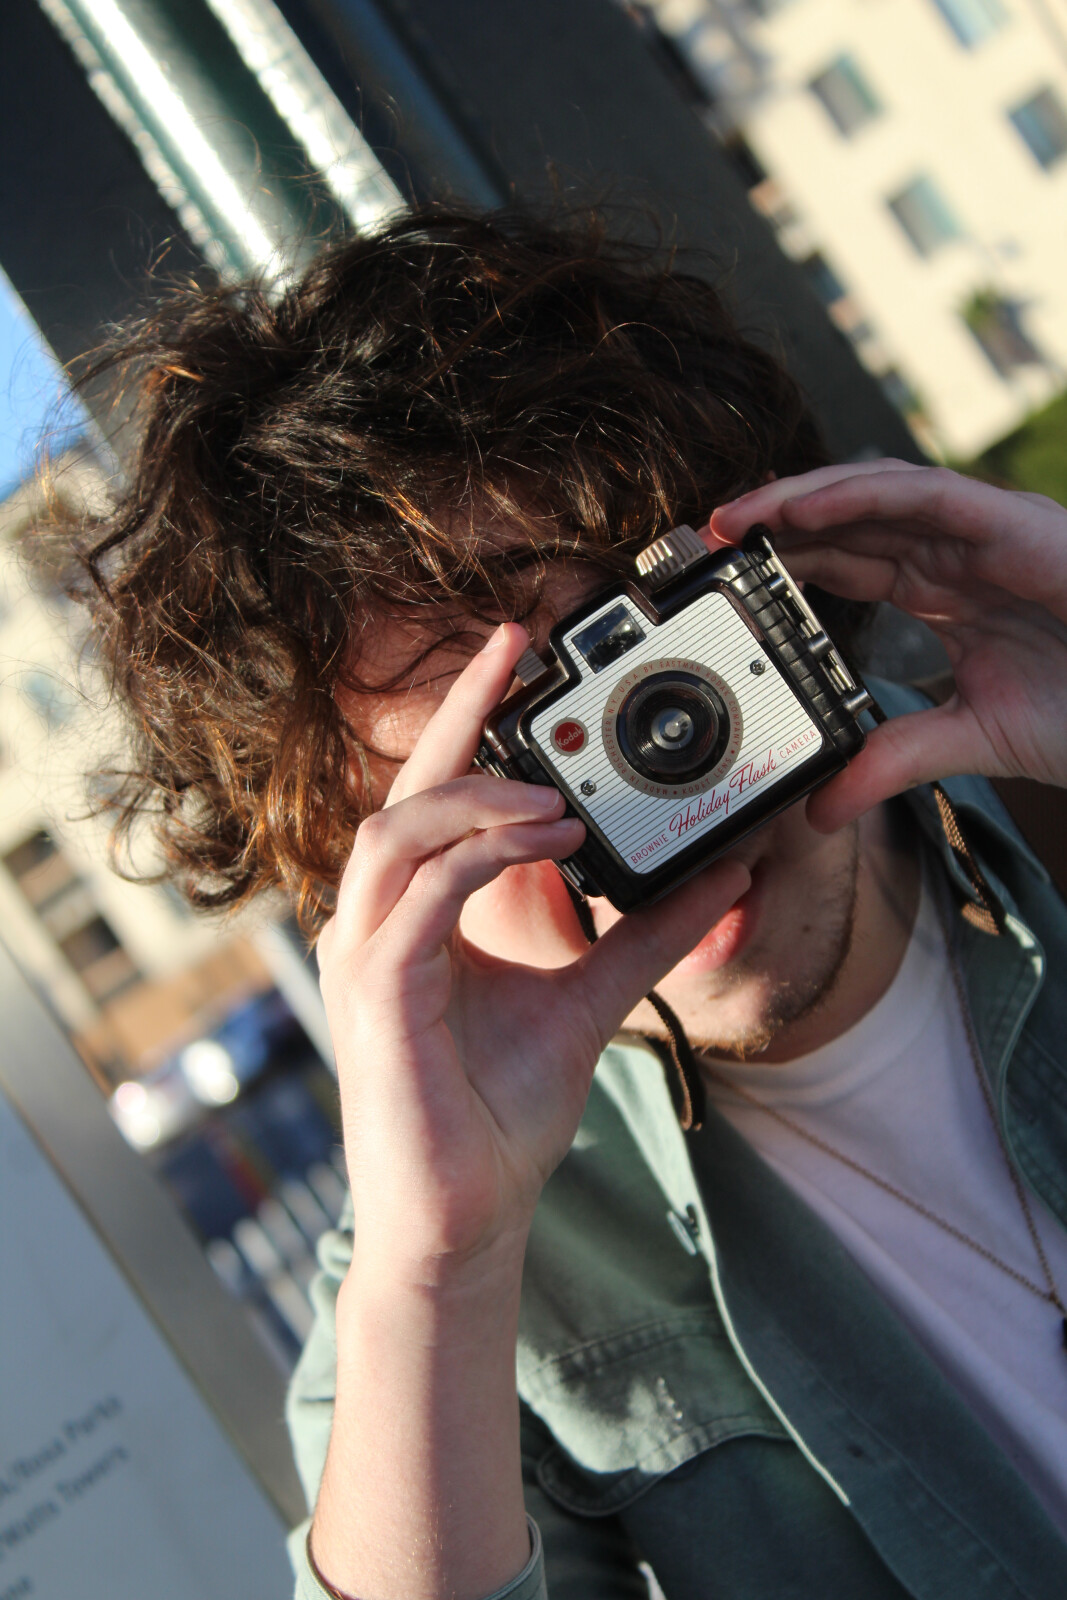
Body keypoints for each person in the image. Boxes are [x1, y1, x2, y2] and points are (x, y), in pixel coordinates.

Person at [62, 210, 1067, 1599]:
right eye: (496, 783)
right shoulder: (435, 1291)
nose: (628, 818)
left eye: (634, 699)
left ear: (762, 590)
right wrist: (447, 1270)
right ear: (359, 878)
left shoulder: (1040, 775)